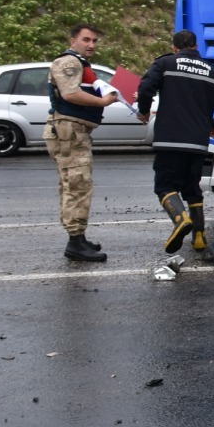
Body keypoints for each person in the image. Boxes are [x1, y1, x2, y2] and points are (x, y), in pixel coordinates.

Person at [137, 30, 214, 257]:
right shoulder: (212, 71)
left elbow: (145, 88)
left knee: (164, 186)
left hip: (169, 139)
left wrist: (143, 110)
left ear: (175, 48)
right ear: (196, 46)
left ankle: (180, 219)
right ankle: (199, 237)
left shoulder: (165, 63)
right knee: (192, 189)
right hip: (198, 142)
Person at [46, 23, 122, 262]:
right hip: (70, 131)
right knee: (78, 185)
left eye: (94, 41)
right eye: (86, 40)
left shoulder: (79, 63)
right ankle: (75, 242)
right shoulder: (69, 62)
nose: (91, 45)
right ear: (73, 41)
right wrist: (103, 102)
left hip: (73, 130)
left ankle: (78, 237)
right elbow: (70, 94)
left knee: (74, 184)